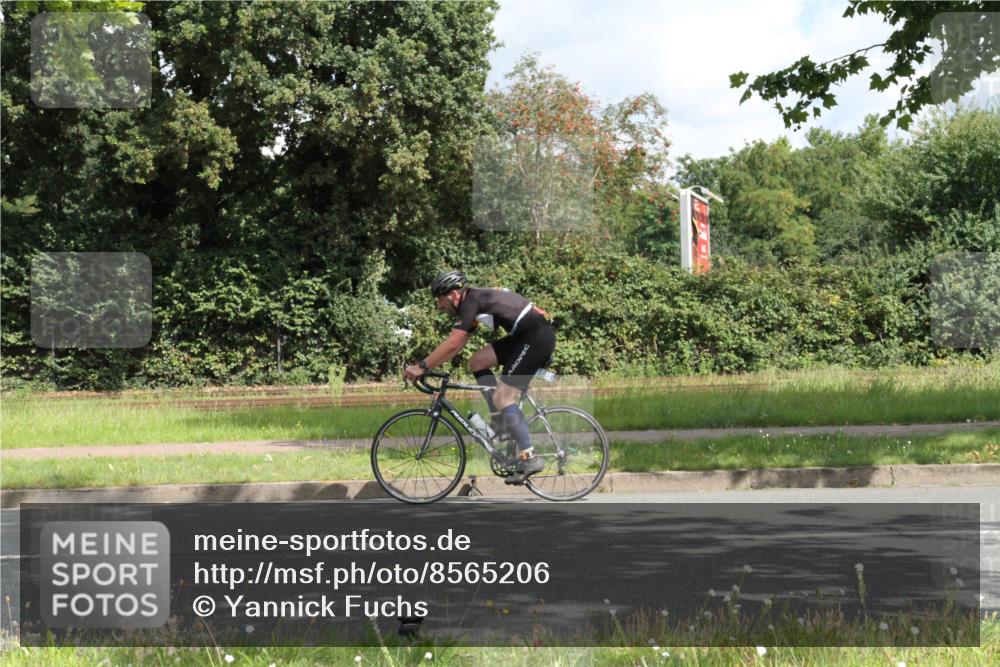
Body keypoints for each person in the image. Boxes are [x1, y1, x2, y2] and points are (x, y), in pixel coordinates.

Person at [403, 270, 555, 484]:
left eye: (440, 299)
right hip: (524, 337)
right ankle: (500, 423)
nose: (439, 305)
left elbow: (453, 343)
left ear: (453, 294)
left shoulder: (471, 302)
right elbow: (456, 346)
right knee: (477, 361)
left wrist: (422, 366)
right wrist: (427, 366)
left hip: (535, 338)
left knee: (503, 397)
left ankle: (530, 457)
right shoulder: (474, 302)